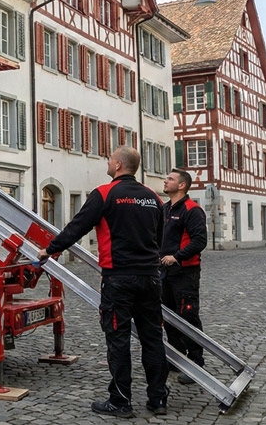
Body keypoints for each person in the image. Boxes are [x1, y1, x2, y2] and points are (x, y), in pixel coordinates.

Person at [38, 147, 169, 418]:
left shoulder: (104, 194)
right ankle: (158, 399)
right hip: (150, 278)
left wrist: (50, 250)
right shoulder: (153, 197)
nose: (107, 162)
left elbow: (77, 227)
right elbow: (160, 236)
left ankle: (120, 402)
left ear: (119, 165)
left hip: (118, 278)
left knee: (118, 339)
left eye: (109, 159)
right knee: (153, 339)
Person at [159, 168, 207, 384]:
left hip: (185, 273)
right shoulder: (165, 208)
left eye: (170, 179)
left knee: (188, 318)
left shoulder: (192, 210)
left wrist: (176, 257)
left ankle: (197, 364)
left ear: (182, 185)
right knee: (168, 317)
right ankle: (176, 358)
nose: (165, 181)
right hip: (164, 273)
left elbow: (199, 242)